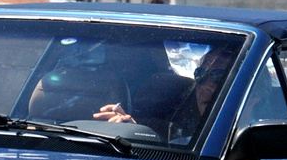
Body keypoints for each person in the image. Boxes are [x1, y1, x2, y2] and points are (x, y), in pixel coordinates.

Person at [94, 46, 236, 144]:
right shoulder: (173, 126)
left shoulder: (249, 135)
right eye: (201, 75)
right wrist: (130, 129)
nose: (206, 86)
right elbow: (157, 143)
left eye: (219, 76)